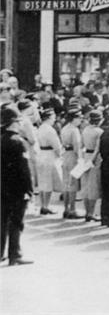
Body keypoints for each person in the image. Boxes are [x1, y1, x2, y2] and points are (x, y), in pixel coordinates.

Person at [1, 105, 34, 265]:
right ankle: (15, 254)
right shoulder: (18, 142)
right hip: (16, 189)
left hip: (2, 188)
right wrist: (29, 189)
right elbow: (24, 170)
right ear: (13, 123)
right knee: (16, 222)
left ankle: (1, 253)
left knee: (2, 220)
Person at [36, 108, 63, 215]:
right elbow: (56, 146)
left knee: (43, 182)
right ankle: (46, 206)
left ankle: (43, 205)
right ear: (48, 118)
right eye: (53, 117)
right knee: (48, 183)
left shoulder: (40, 128)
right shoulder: (50, 130)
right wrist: (60, 155)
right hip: (49, 156)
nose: (54, 119)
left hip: (41, 154)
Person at [60, 107, 84, 219]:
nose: (81, 119)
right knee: (73, 184)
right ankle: (72, 209)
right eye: (79, 117)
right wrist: (81, 159)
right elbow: (77, 147)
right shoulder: (74, 130)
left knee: (66, 184)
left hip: (65, 155)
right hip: (72, 157)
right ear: (74, 118)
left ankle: (66, 209)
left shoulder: (64, 128)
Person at [81, 111, 104, 221]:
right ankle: (91, 212)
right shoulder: (99, 131)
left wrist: (83, 159)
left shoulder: (85, 130)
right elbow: (97, 148)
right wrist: (93, 160)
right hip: (94, 158)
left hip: (86, 156)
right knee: (94, 186)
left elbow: (81, 145)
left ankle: (87, 212)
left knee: (86, 185)